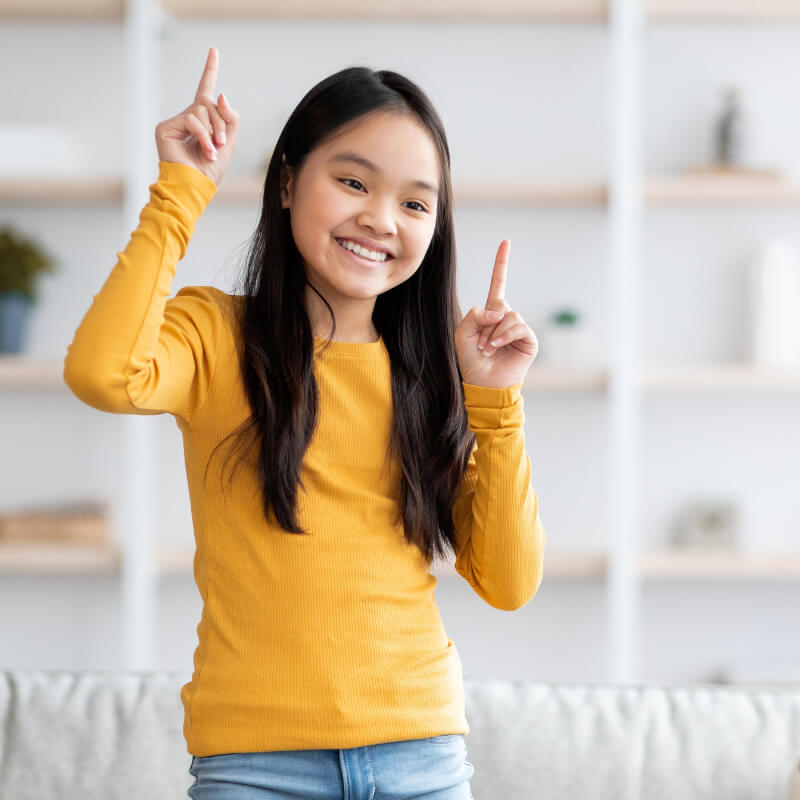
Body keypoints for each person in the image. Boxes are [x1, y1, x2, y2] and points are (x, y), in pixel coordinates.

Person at [63, 45, 546, 800]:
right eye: (352, 181)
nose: (380, 219)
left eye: (416, 203)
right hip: (256, 767)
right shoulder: (217, 335)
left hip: (422, 756)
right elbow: (101, 372)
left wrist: (498, 404)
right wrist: (181, 192)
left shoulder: (434, 374)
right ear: (287, 181)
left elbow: (511, 582)